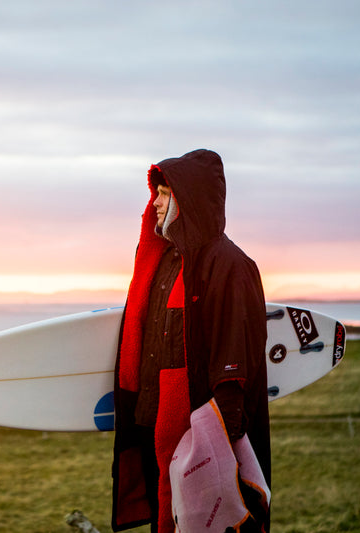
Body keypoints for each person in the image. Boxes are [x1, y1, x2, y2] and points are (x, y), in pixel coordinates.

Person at [111, 149, 271, 532]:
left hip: (199, 434)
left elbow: (234, 355)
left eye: (165, 194)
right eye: (157, 193)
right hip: (151, 425)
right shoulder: (163, 261)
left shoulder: (229, 265)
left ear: (189, 199)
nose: (155, 202)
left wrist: (223, 443)